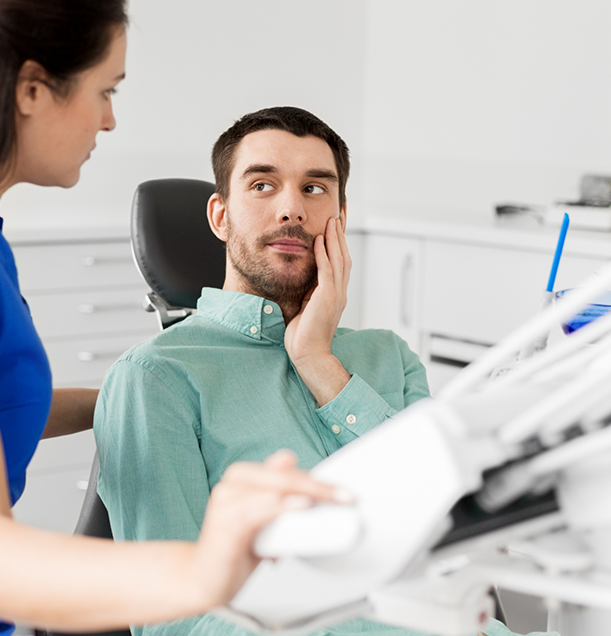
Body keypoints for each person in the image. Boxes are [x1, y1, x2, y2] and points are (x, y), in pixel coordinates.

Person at [0, 0, 346, 636]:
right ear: (33, 89)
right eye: (105, 91)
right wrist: (204, 570)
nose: (111, 120)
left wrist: (139, 390)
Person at [94, 107, 437, 636]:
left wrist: (319, 364)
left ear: (340, 217)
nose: (291, 210)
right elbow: (174, 621)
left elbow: (444, 524)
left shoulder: (390, 357)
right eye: (262, 185)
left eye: (315, 189)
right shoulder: (156, 378)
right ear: (220, 215)